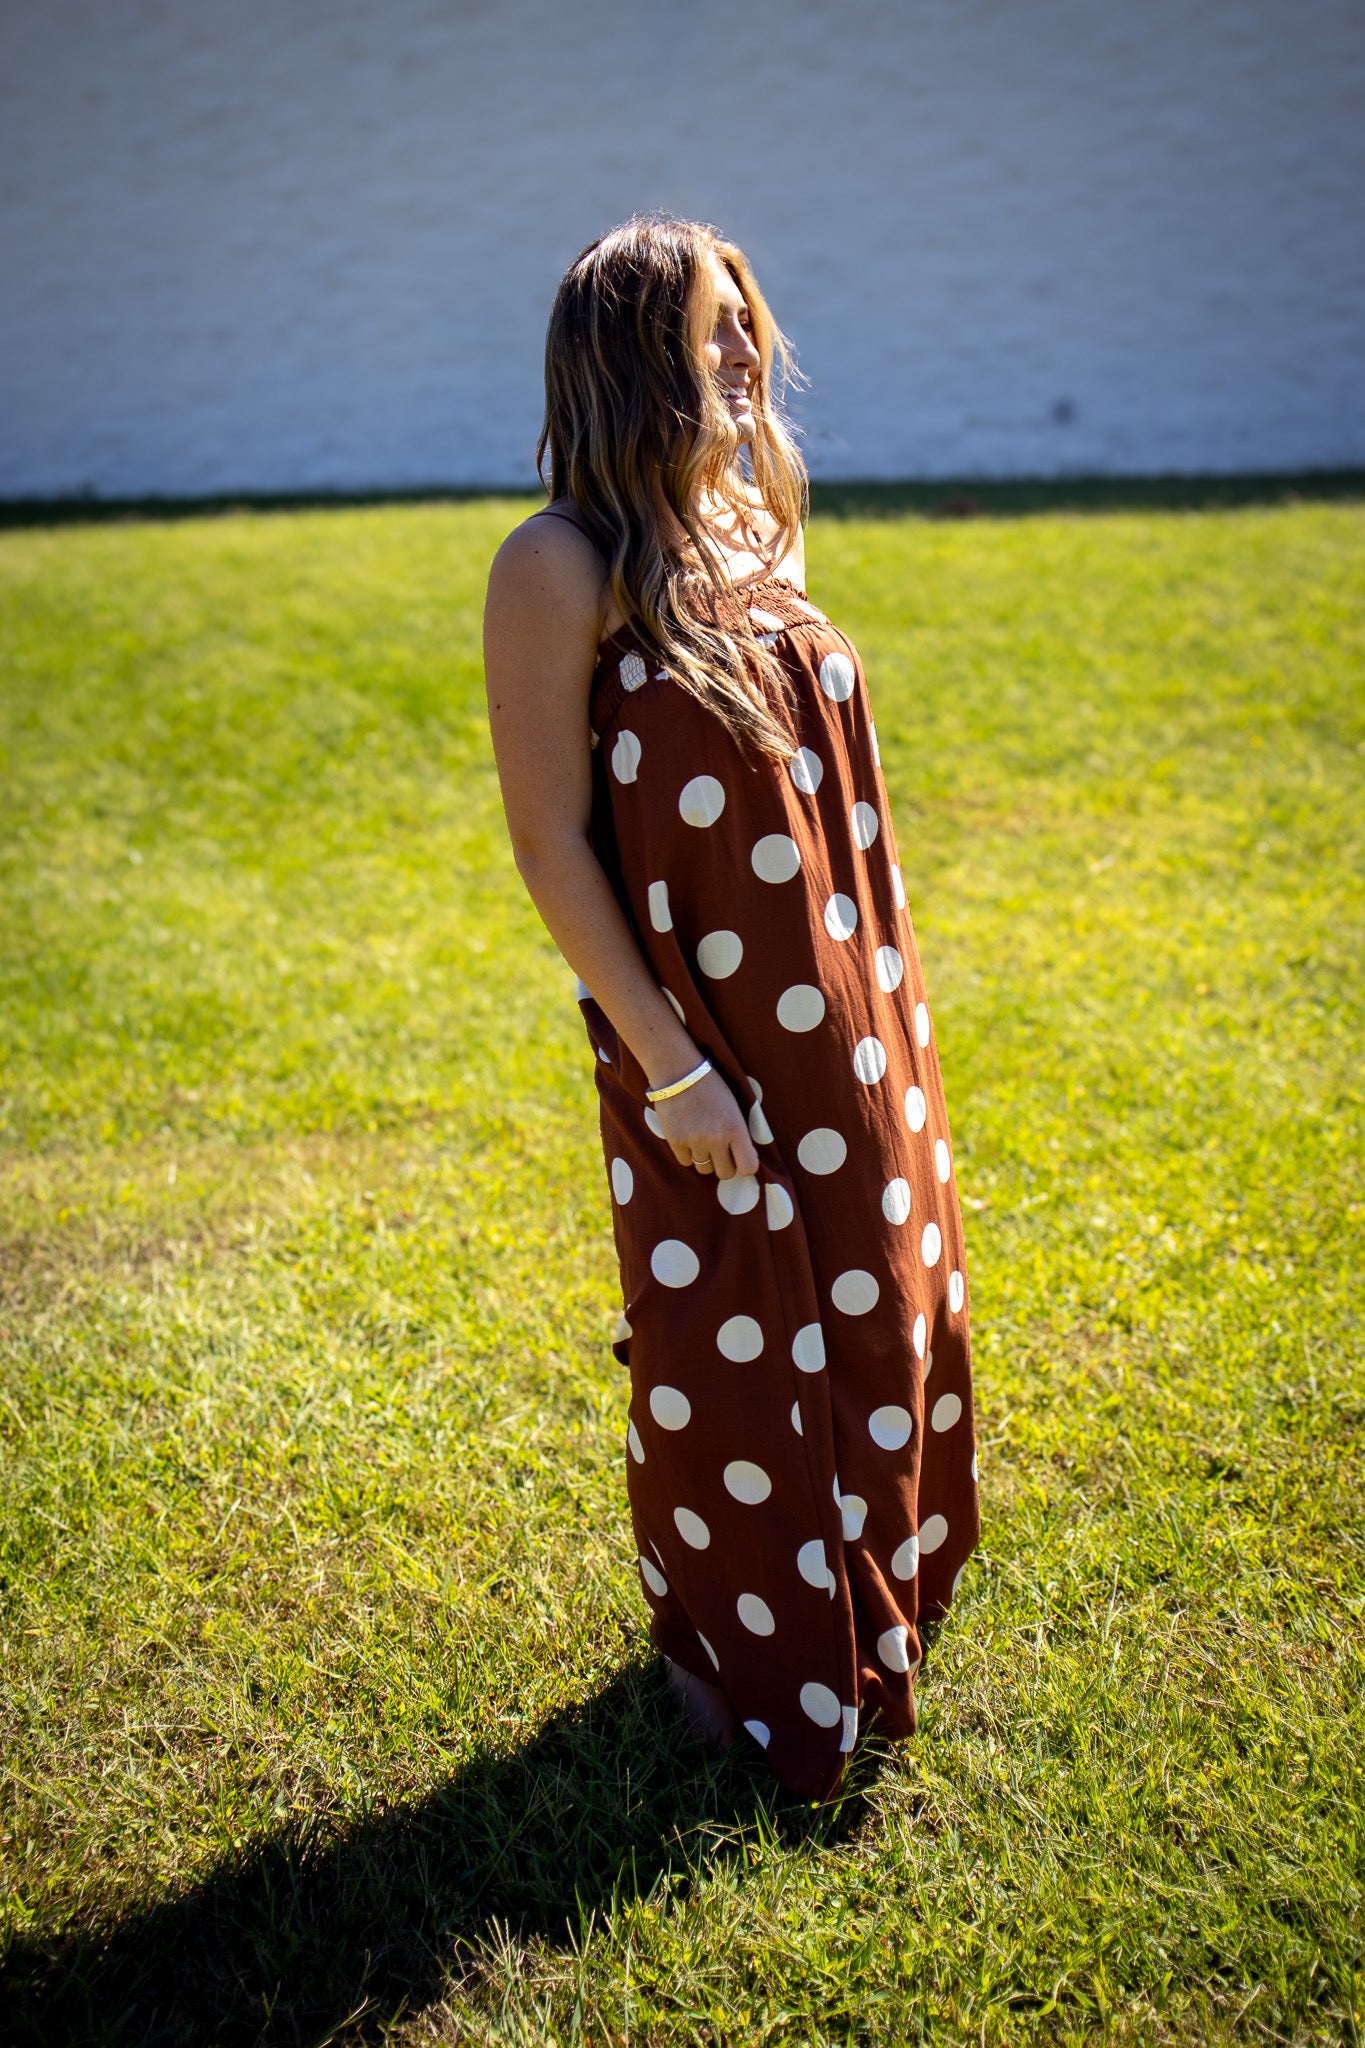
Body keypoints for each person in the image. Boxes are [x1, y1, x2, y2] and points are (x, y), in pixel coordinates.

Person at [483, 217, 979, 1803]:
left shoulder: (757, 514)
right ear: (634, 355)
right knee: (728, 1336)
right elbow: (548, 840)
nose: (746, 349)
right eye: (712, 326)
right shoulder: (557, 564)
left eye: (749, 317)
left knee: (877, 1300)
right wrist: (670, 1066)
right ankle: (738, 1660)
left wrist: (874, 997)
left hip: (851, 1000)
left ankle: (872, 1610)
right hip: (700, 1034)